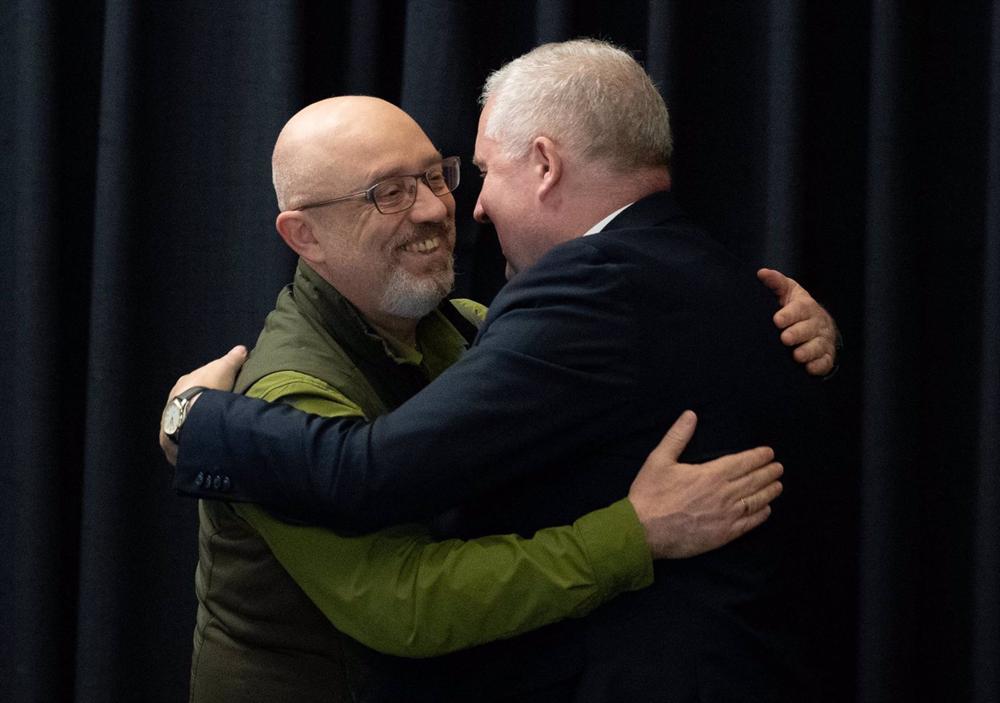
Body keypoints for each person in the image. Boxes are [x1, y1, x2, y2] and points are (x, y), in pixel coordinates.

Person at [165, 40, 838, 701]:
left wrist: (197, 421)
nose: (450, 208)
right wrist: (632, 534)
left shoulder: (492, 319)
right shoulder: (288, 387)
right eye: (388, 193)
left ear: (544, 164)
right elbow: (404, 599)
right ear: (304, 237)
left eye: (438, 175)